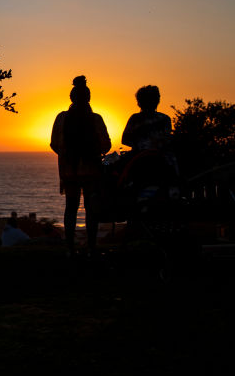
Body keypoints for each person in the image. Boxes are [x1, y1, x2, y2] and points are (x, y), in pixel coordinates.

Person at [50, 76, 112, 256]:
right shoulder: (95, 119)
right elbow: (106, 145)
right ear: (88, 98)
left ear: (72, 98)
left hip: (69, 171)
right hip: (91, 171)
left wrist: (67, 156)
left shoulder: (61, 118)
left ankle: (70, 248)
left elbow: (54, 143)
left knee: (71, 208)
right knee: (91, 209)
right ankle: (91, 248)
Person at [121, 85, 171, 153]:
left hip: (148, 157)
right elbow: (125, 139)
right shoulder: (165, 118)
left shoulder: (135, 118)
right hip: (147, 156)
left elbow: (125, 140)